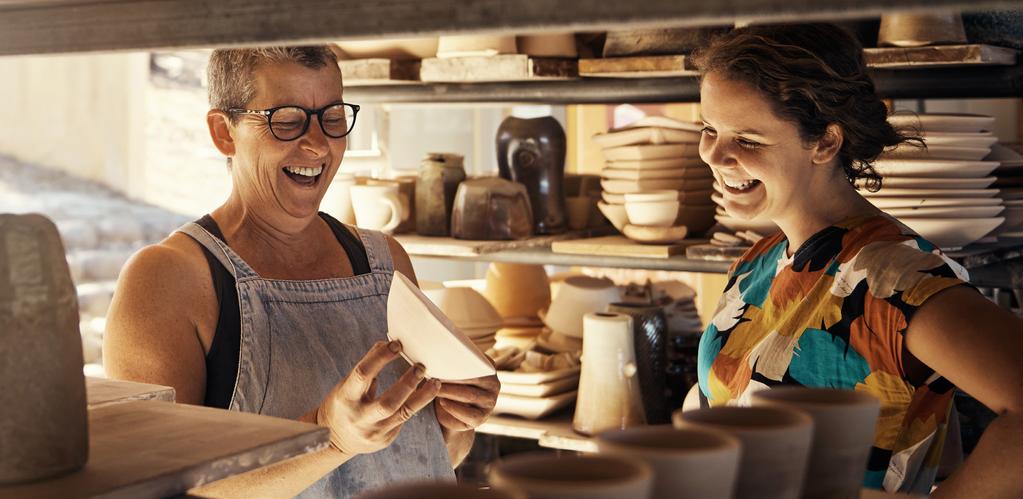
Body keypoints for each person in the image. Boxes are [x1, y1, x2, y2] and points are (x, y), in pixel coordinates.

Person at [103, 46, 499, 498]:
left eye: (331, 116)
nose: (317, 144)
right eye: (287, 120)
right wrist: (327, 438)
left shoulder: (385, 260)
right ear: (223, 132)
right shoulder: (168, 280)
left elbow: (425, 459)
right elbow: (155, 487)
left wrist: (455, 422)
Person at [693, 24, 1023, 496]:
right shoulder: (756, 264)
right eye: (709, 129)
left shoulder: (897, 280)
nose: (715, 154)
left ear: (825, 142)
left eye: (747, 139)